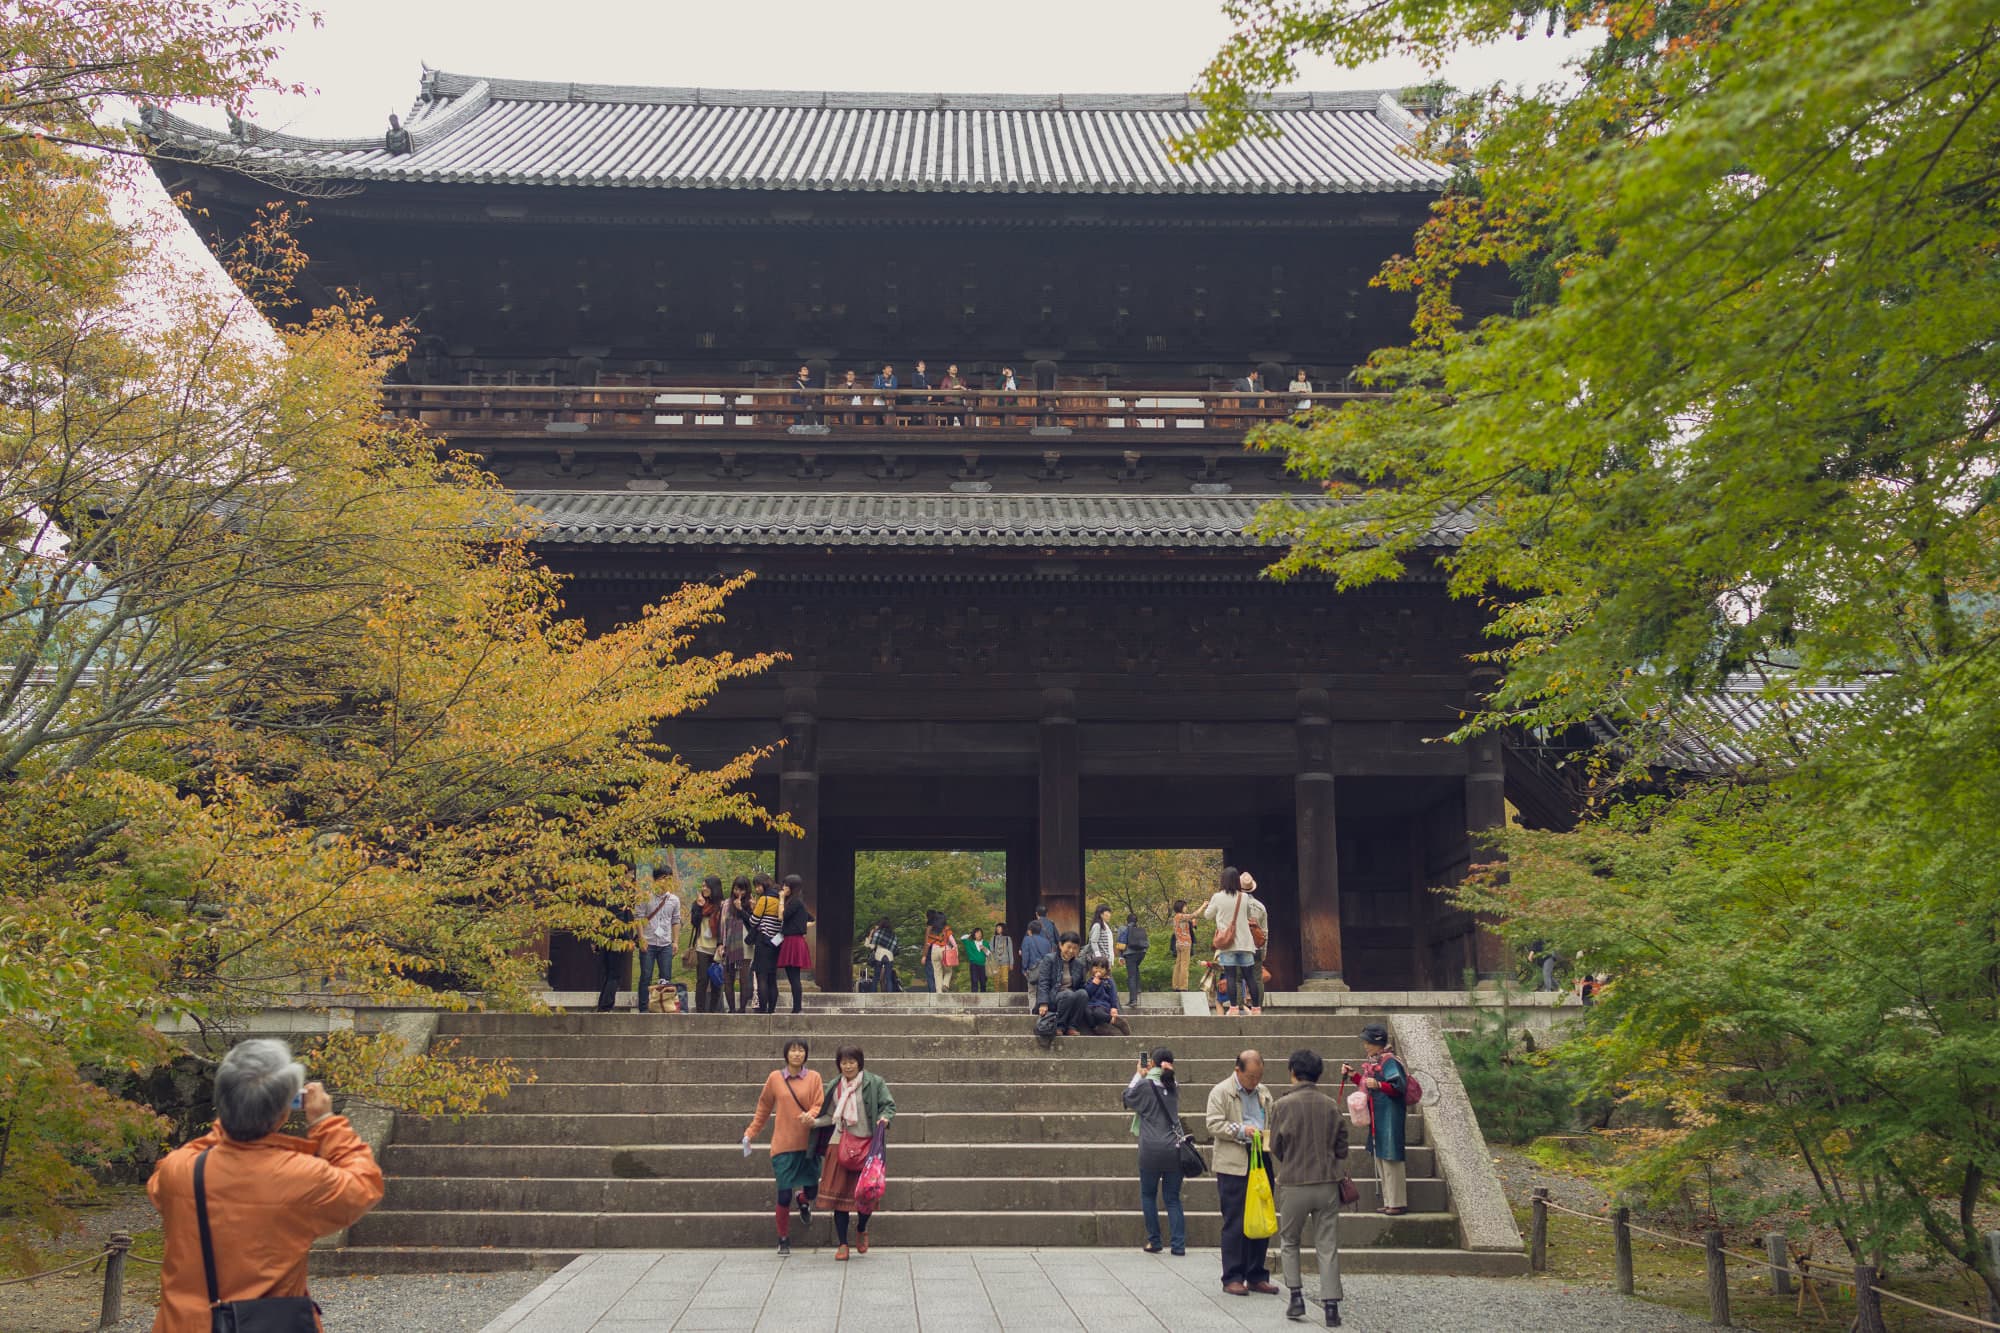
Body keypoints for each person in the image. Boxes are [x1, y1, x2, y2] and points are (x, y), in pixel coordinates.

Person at [146, 1040, 384, 1332]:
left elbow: (161, 1181)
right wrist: (325, 1122)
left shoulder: (180, 1170)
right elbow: (365, 1183)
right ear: (284, 1112)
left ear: (223, 1101)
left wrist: (231, 1123)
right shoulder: (305, 1177)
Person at [1268, 1049, 1349, 1327]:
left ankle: (1296, 1297)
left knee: (1290, 1240)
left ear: (1292, 1071)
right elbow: (1342, 1145)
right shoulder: (1329, 1104)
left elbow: (1275, 1146)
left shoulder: (1282, 1105)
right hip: (1327, 1182)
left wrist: (1291, 1158)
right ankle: (1330, 1307)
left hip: (1294, 1181)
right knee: (1327, 1245)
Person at [1206, 1049, 1278, 1297]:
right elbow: (1213, 1124)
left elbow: (1271, 1119)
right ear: (1238, 1070)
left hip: (1261, 1156)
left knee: (1262, 1214)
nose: (1255, 1082)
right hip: (1234, 1162)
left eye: (1258, 1076)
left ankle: (1256, 1273)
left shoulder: (1264, 1092)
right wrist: (1242, 1130)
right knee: (1235, 1220)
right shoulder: (1221, 1091)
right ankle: (1233, 1276)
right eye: (1251, 1077)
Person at [743, 1038, 824, 1257]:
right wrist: (751, 1132)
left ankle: (804, 1201)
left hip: (809, 1144)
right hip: (783, 1144)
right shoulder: (775, 1079)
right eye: (793, 1050)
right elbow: (764, 1107)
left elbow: (819, 1103)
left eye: (801, 1051)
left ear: (806, 1055)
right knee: (784, 1194)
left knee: (812, 1189)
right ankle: (783, 1237)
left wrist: (812, 1115)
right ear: (786, 1054)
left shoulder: (814, 1077)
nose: (797, 1054)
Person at [817, 1045, 895, 1260]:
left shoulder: (874, 1082)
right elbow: (829, 1116)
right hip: (839, 1144)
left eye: (852, 1061)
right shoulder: (835, 1086)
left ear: (859, 1062)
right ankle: (843, 1244)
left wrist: (885, 1118)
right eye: (843, 1062)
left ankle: (861, 1228)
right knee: (839, 1198)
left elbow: (888, 1105)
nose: (848, 1065)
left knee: (865, 1196)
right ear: (838, 1064)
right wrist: (812, 1122)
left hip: (866, 1146)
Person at [1123, 1047, 1187, 1256]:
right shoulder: (1174, 1084)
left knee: (1148, 1195)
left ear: (1152, 1063)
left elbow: (1127, 1098)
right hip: (1174, 1149)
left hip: (1150, 1149)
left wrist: (1138, 1074)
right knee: (1173, 1198)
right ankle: (1178, 1245)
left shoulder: (1145, 1085)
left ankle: (1155, 1241)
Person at [1343, 1024, 1409, 1216]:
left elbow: (1399, 1086)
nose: (1365, 1045)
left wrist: (1379, 1084)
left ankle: (1396, 1202)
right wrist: (1353, 1075)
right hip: (1378, 1114)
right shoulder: (1375, 1061)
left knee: (1391, 1157)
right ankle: (1390, 1201)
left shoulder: (1389, 1061)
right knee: (1381, 1156)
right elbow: (1366, 1085)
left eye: (1368, 1042)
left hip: (1390, 1114)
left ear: (1377, 1043)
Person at [1204, 867, 1264, 1016]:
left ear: (1223, 880)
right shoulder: (1243, 897)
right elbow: (1250, 915)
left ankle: (1234, 1008)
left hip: (1227, 944)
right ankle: (1256, 1009)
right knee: (1249, 976)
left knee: (1230, 976)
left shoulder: (1217, 897)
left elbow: (1207, 915)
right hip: (1245, 943)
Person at [1032, 931, 1093, 1039]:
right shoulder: (1049, 959)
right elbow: (1044, 982)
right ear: (1060, 945)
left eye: (1075, 948)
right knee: (1068, 994)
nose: (1071, 951)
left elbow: (1081, 986)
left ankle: (1072, 1026)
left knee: (1083, 993)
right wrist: (1043, 1003)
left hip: (1071, 997)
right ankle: (1059, 1026)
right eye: (1068, 947)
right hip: (1054, 996)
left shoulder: (1079, 964)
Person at [636, 868, 682, 1013]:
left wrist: (675, 941)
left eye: (669, 878)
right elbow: (638, 919)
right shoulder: (645, 897)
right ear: (655, 880)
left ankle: (665, 1007)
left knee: (666, 977)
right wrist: (641, 939)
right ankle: (643, 1009)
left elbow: (676, 921)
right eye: (663, 877)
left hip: (665, 943)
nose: (666, 881)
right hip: (648, 942)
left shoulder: (674, 900)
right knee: (646, 976)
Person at [777, 874, 814, 1014]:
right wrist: (801, 927)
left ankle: (797, 1008)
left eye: (786, 885)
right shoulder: (798, 903)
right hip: (794, 940)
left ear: (792, 887)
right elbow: (811, 919)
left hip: (793, 941)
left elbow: (781, 916)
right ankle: (797, 1007)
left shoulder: (795, 902)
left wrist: (781, 899)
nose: (784, 888)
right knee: (793, 977)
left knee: (794, 978)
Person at [688, 875, 725, 1013]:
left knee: (716, 981)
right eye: (702, 886)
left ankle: (713, 1011)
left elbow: (724, 926)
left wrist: (722, 944)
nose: (703, 888)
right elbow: (694, 922)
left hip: (717, 948)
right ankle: (700, 1010)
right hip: (701, 947)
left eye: (706, 886)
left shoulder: (722, 905)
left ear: (713, 887)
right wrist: (699, 906)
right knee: (702, 980)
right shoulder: (698, 903)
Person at [596, 890, 635, 1012]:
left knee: (609, 974)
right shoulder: (619, 897)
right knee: (614, 975)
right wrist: (629, 940)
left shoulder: (606, 897)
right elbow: (619, 923)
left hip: (607, 939)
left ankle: (603, 1003)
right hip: (617, 941)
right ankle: (606, 1005)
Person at [751, 873, 784, 1014]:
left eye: (758, 886)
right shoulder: (780, 898)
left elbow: (753, 921)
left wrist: (752, 908)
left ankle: (763, 1009)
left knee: (762, 977)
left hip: (763, 941)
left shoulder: (764, 899)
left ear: (763, 884)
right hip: (776, 943)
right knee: (772, 978)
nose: (757, 889)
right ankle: (772, 1010)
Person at [723, 876, 754, 1013]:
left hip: (745, 943)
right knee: (728, 977)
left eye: (742, 889)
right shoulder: (726, 904)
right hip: (729, 942)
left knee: (744, 977)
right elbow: (722, 925)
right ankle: (731, 1008)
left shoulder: (751, 903)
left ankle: (742, 1008)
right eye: (736, 889)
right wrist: (720, 944)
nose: (738, 892)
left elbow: (753, 924)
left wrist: (742, 909)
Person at [1083, 958, 1130, 1036]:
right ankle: (1096, 1028)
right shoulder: (1090, 981)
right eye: (1096, 967)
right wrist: (1094, 984)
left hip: (1103, 1005)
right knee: (1087, 1013)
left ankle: (1116, 1021)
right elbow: (1087, 993)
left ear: (1106, 970)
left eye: (1102, 968)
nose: (1099, 970)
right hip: (1090, 1004)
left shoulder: (1108, 981)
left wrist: (1114, 1007)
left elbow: (1113, 995)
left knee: (1098, 1013)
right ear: (1092, 969)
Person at [1117, 911, 1150, 1007]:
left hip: (1130, 954)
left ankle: (1133, 1000)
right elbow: (1146, 943)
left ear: (1127, 920)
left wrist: (1121, 956)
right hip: (1141, 953)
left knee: (1131, 975)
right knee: (1135, 969)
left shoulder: (1123, 928)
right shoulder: (1140, 929)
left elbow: (1120, 944)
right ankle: (1138, 988)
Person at [923, 913, 956, 992]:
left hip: (934, 952)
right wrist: (955, 948)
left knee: (937, 973)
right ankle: (945, 984)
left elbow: (928, 944)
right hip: (944, 951)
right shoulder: (946, 928)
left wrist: (924, 956)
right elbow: (952, 940)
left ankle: (939, 992)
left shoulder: (932, 930)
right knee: (948, 971)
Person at [1170, 899, 1196, 991]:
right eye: (1185, 906)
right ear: (1181, 907)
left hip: (1178, 944)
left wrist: (1193, 925)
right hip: (1185, 944)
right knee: (1185, 965)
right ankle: (1183, 986)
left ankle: (1176, 985)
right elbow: (1194, 915)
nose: (1186, 908)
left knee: (1178, 965)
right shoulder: (1181, 916)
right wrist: (1203, 906)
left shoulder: (1176, 917)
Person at [867, 918, 899, 994]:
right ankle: (890, 996)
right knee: (888, 978)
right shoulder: (893, 935)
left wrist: (871, 934)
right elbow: (895, 947)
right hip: (889, 956)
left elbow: (871, 946)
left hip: (879, 955)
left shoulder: (878, 933)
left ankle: (873, 995)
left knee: (876, 978)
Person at [960, 926, 990, 993]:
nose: (979, 934)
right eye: (976, 933)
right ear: (974, 934)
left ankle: (983, 997)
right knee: (974, 981)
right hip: (974, 964)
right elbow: (962, 938)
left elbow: (989, 954)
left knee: (983, 982)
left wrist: (984, 948)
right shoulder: (969, 943)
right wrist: (970, 934)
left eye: (980, 933)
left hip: (983, 965)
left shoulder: (985, 943)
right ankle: (974, 998)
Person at [1087, 903, 1117, 971]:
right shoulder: (1097, 926)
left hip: (1105, 960)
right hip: (1100, 962)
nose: (1110, 915)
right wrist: (1098, 957)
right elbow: (1093, 942)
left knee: (1104, 980)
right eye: (1108, 912)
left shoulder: (1105, 926)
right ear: (1101, 914)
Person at [988, 920, 1014, 991]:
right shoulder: (993, 938)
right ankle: (996, 995)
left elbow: (1010, 951)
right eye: (997, 927)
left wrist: (1011, 963)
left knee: (1004, 980)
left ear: (1003, 928)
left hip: (1005, 962)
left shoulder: (1008, 939)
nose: (997, 929)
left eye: (999, 927)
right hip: (996, 962)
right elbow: (990, 950)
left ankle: (1006, 994)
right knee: (996, 981)